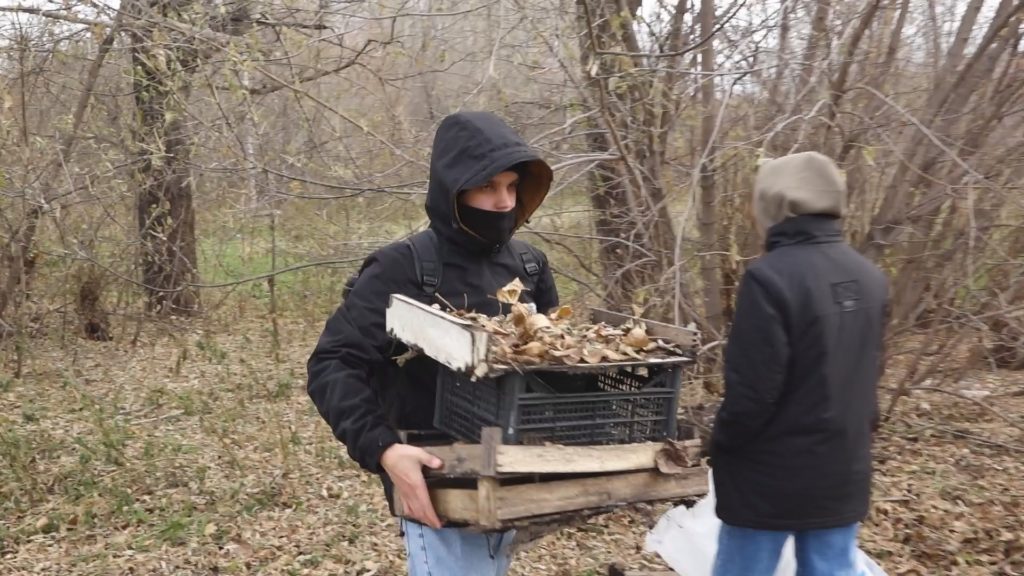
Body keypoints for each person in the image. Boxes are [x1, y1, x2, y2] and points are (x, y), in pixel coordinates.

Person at [307, 111, 559, 576]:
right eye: (487, 187)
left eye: (511, 186)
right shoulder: (403, 268)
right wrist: (383, 450)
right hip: (437, 482)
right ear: (454, 191)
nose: (503, 201)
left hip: (513, 478)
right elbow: (333, 364)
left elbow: (550, 364)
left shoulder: (530, 266)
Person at [709, 151, 889, 576]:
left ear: (773, 203)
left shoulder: (769, 278)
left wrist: (720, 443)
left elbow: (753, 393)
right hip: (842, 469)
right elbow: (868, 379)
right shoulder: (870, 277)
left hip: (767, 480)